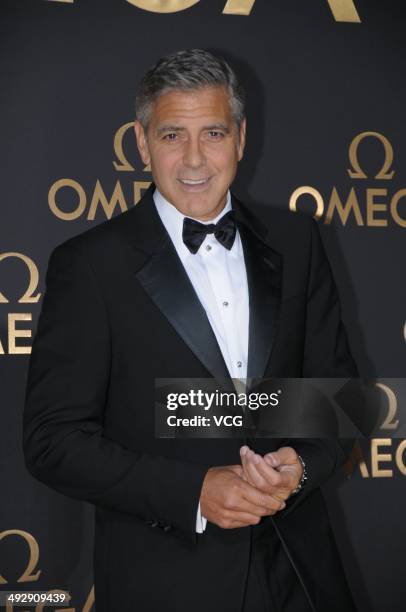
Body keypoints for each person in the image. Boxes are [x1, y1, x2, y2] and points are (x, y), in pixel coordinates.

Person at [23, 49, 358, 612]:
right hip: (166, 580)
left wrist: (300, 466)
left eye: (214, 133)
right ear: (141, 141)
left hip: (301, 572)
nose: (195, 159)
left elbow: (338, 401)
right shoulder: (89, 266)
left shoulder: (298, 242)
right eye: (173, 135)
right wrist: (195, 492)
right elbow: (52, 442)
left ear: (242, 138)